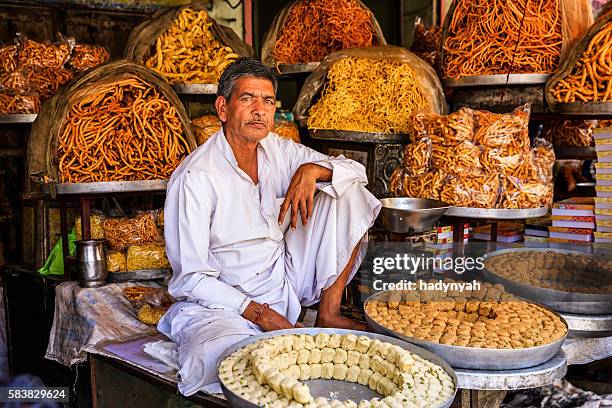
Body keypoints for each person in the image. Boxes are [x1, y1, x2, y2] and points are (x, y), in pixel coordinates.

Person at [159, 58, 381, 396]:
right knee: (223, 361)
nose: (259, 110)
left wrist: (311, 170)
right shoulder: (195, 177)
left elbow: (356, 171)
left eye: (268, 101)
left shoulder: (279, 150)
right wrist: (259, 314)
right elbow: (192, 276)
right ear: (223, 107)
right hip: (224, 301)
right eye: (248, 99)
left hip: (285, 280)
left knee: (349, 193)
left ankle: (329, 313)